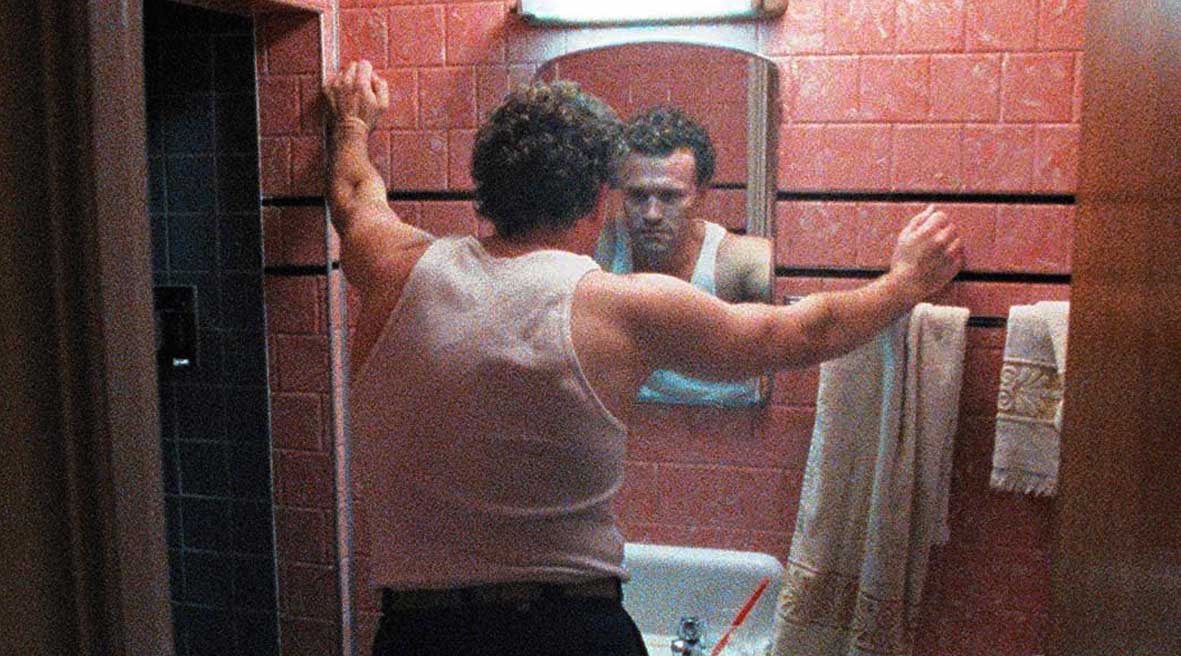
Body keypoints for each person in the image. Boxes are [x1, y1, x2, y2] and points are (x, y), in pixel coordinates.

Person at [324, 60, 962, 656]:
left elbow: (354, 196)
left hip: (419, 633)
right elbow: (799, 333)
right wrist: (905, 282)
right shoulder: (619, 307)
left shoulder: (392, 266)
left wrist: (353, 125)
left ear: (485, 190)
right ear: (601, 199)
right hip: (568, 631)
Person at [595, 106, 773, 406]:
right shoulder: (599, 251)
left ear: (700, 194)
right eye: (638, 196)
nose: (652, 214)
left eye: (670, 196)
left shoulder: (739, 263)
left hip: (730, 434)